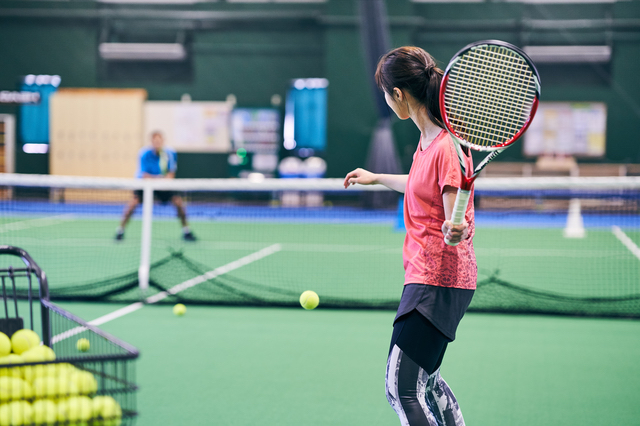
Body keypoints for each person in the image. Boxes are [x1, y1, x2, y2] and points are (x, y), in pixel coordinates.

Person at [344, 46, 476, 426]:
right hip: (433, 279)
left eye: (386, 94)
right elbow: (422, 185)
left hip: (436, 281)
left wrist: (456, 231)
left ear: (398, 95)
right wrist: (376, 177)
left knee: (402, 388)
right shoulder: (429, 141)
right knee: (427, 384)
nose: (387, 101)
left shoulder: (446, 147)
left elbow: (457, 217)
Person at [115, 131, 196, 242]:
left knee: (178, 203)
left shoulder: (170, 153)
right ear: (151, 142)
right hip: (145, 185)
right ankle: (120, 230)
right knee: (132, 204)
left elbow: (171, 175)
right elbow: (144, 175)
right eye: (155, 141)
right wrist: (160, 178)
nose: (157, 143)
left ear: (163, 141)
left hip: (163, 186)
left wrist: (160, 180)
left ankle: (186, 231)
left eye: (159, 140)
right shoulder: (143, 153)